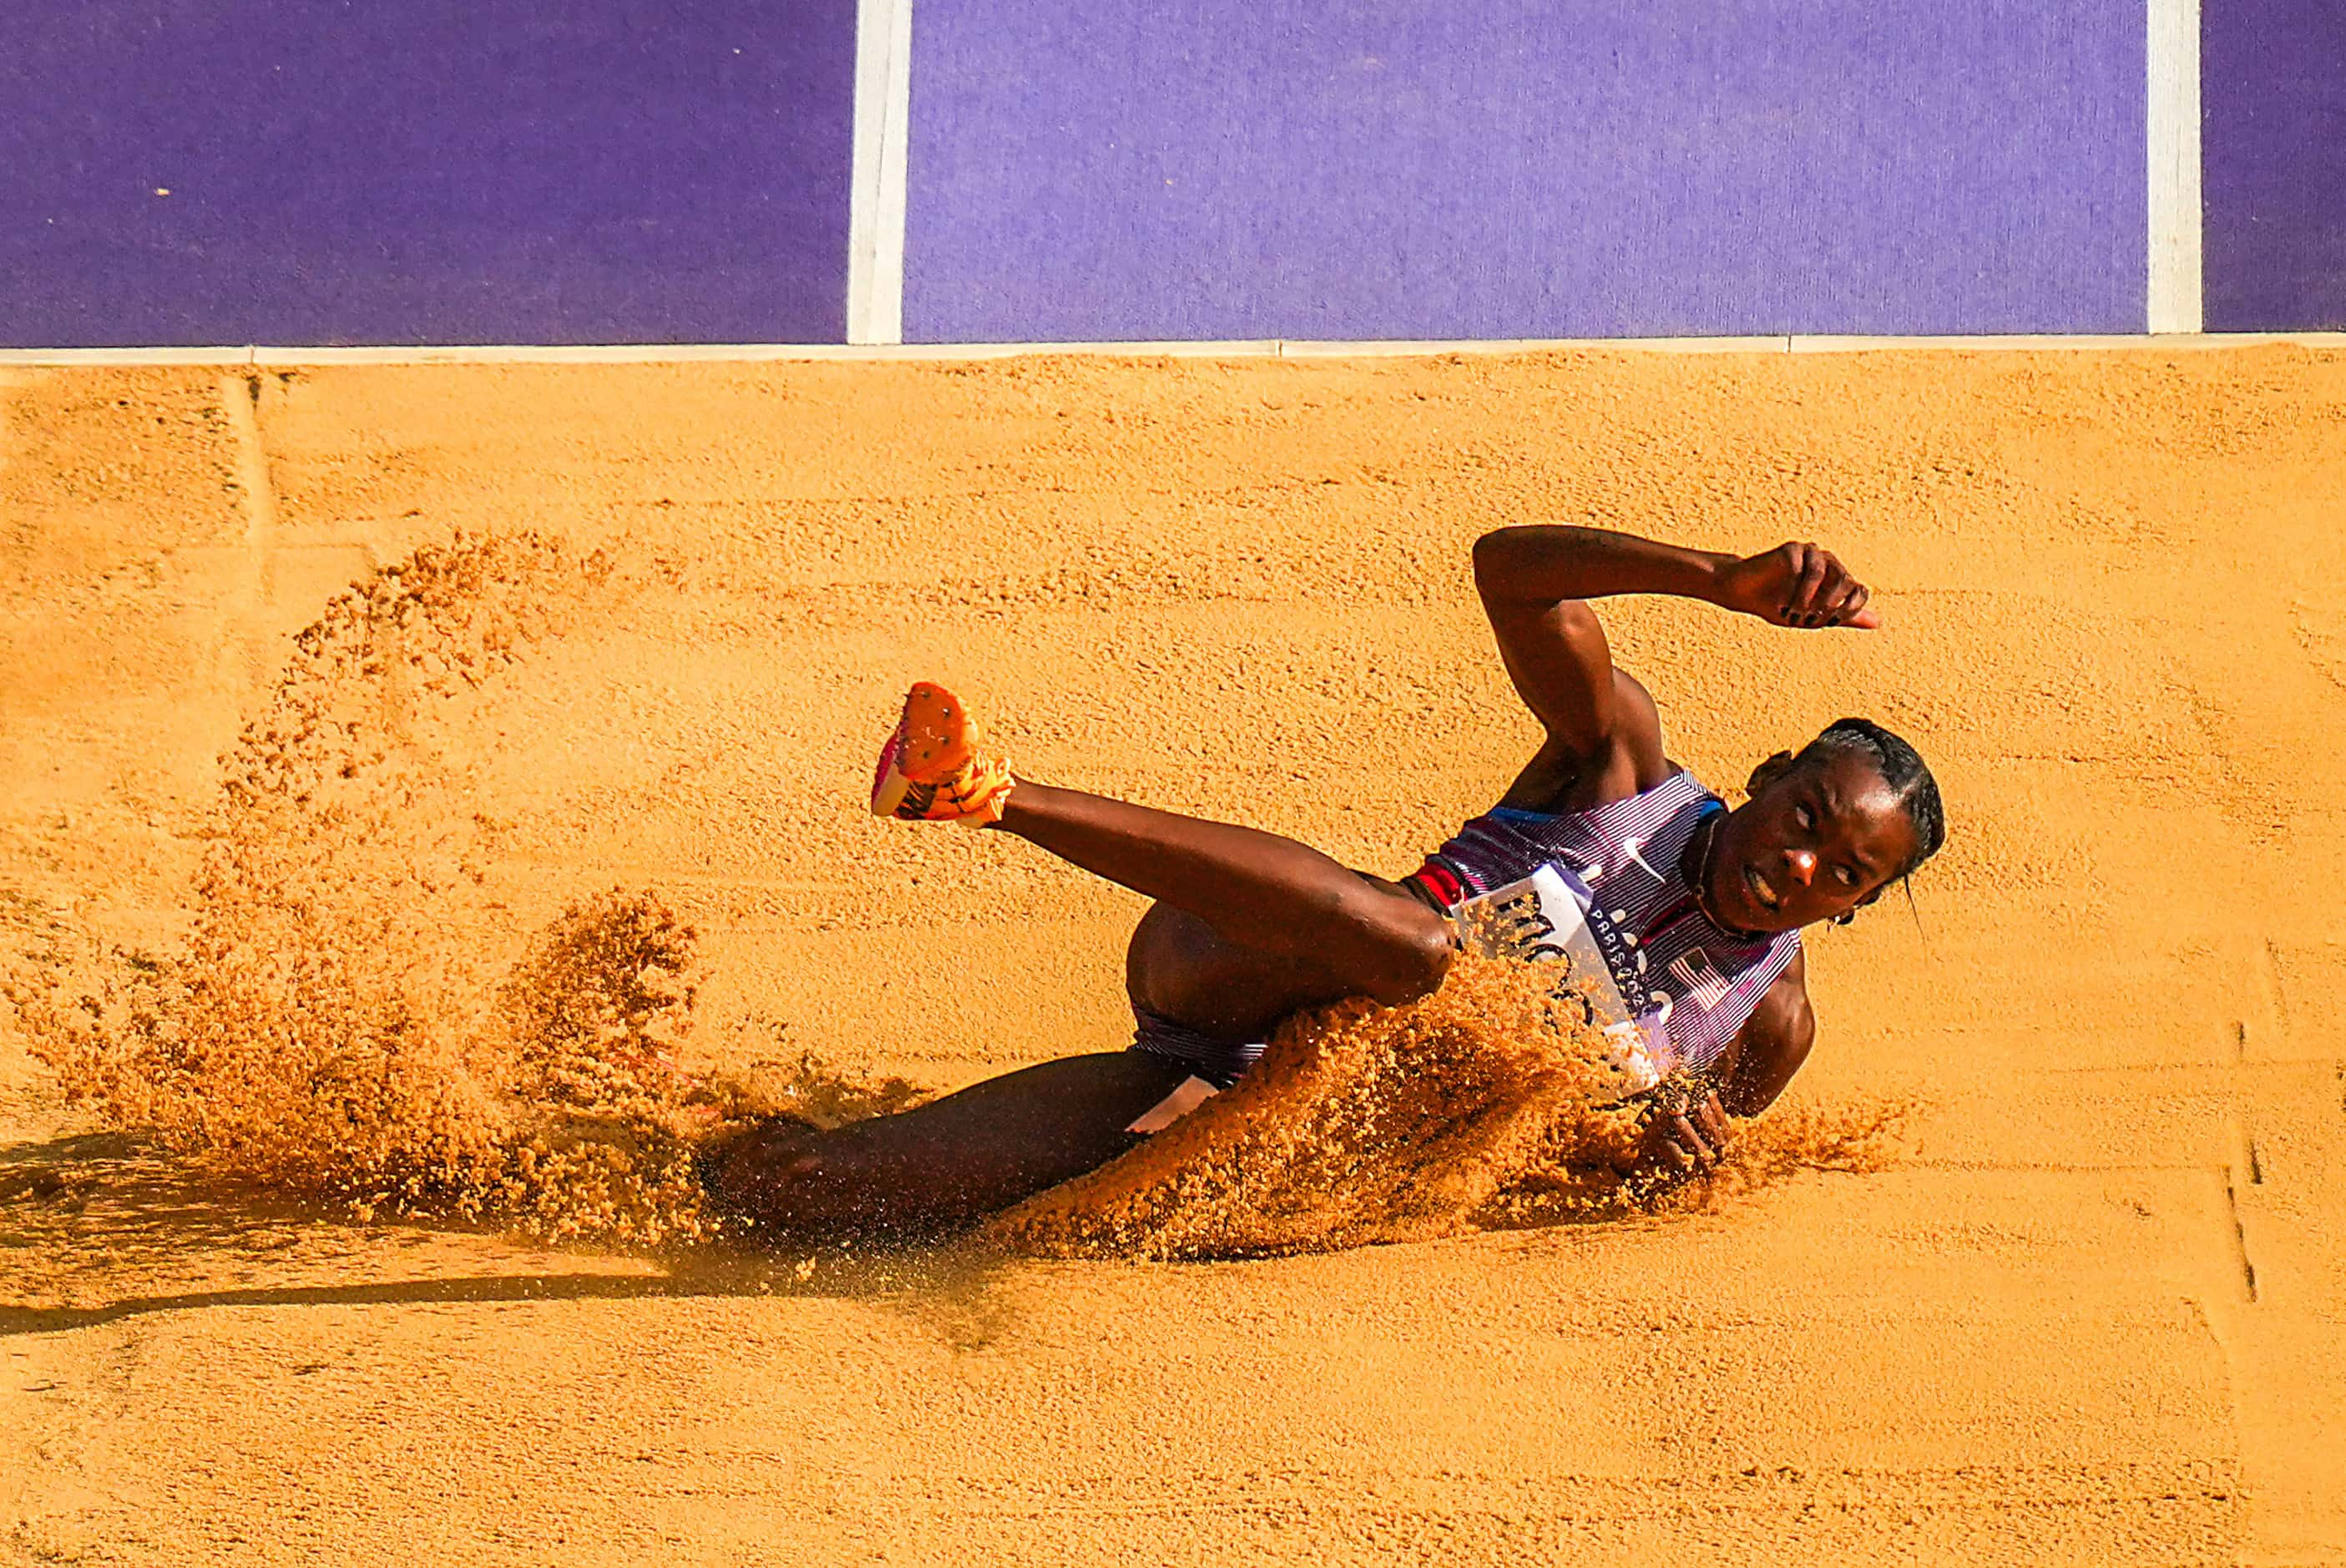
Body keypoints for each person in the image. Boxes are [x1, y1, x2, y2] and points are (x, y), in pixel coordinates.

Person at [708, 525, 1946, 1240]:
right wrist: (1715, 579)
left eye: (1840, 873)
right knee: (1421, 955)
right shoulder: (1620, 764)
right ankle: (982, 791)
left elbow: (1558, 1184)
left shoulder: (1765, 1027)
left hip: (1256, 1126)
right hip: (1233, 979)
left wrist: (1649, 1167)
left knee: (823, 1199)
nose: (1795, 866)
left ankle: (624, 1136)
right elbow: (1510, 568)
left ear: (1850, 907)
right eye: (1803, 817)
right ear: (1771, 774)